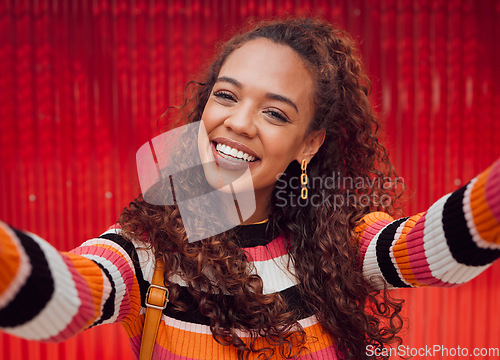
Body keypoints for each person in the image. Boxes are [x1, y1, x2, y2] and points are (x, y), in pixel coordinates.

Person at [0, 18, 499, 360]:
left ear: (308, 145)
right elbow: (61, 299)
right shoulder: (148, 251)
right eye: (226, 96)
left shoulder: (342, 245)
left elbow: (436, 249)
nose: (237, 122)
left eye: (275, 112)